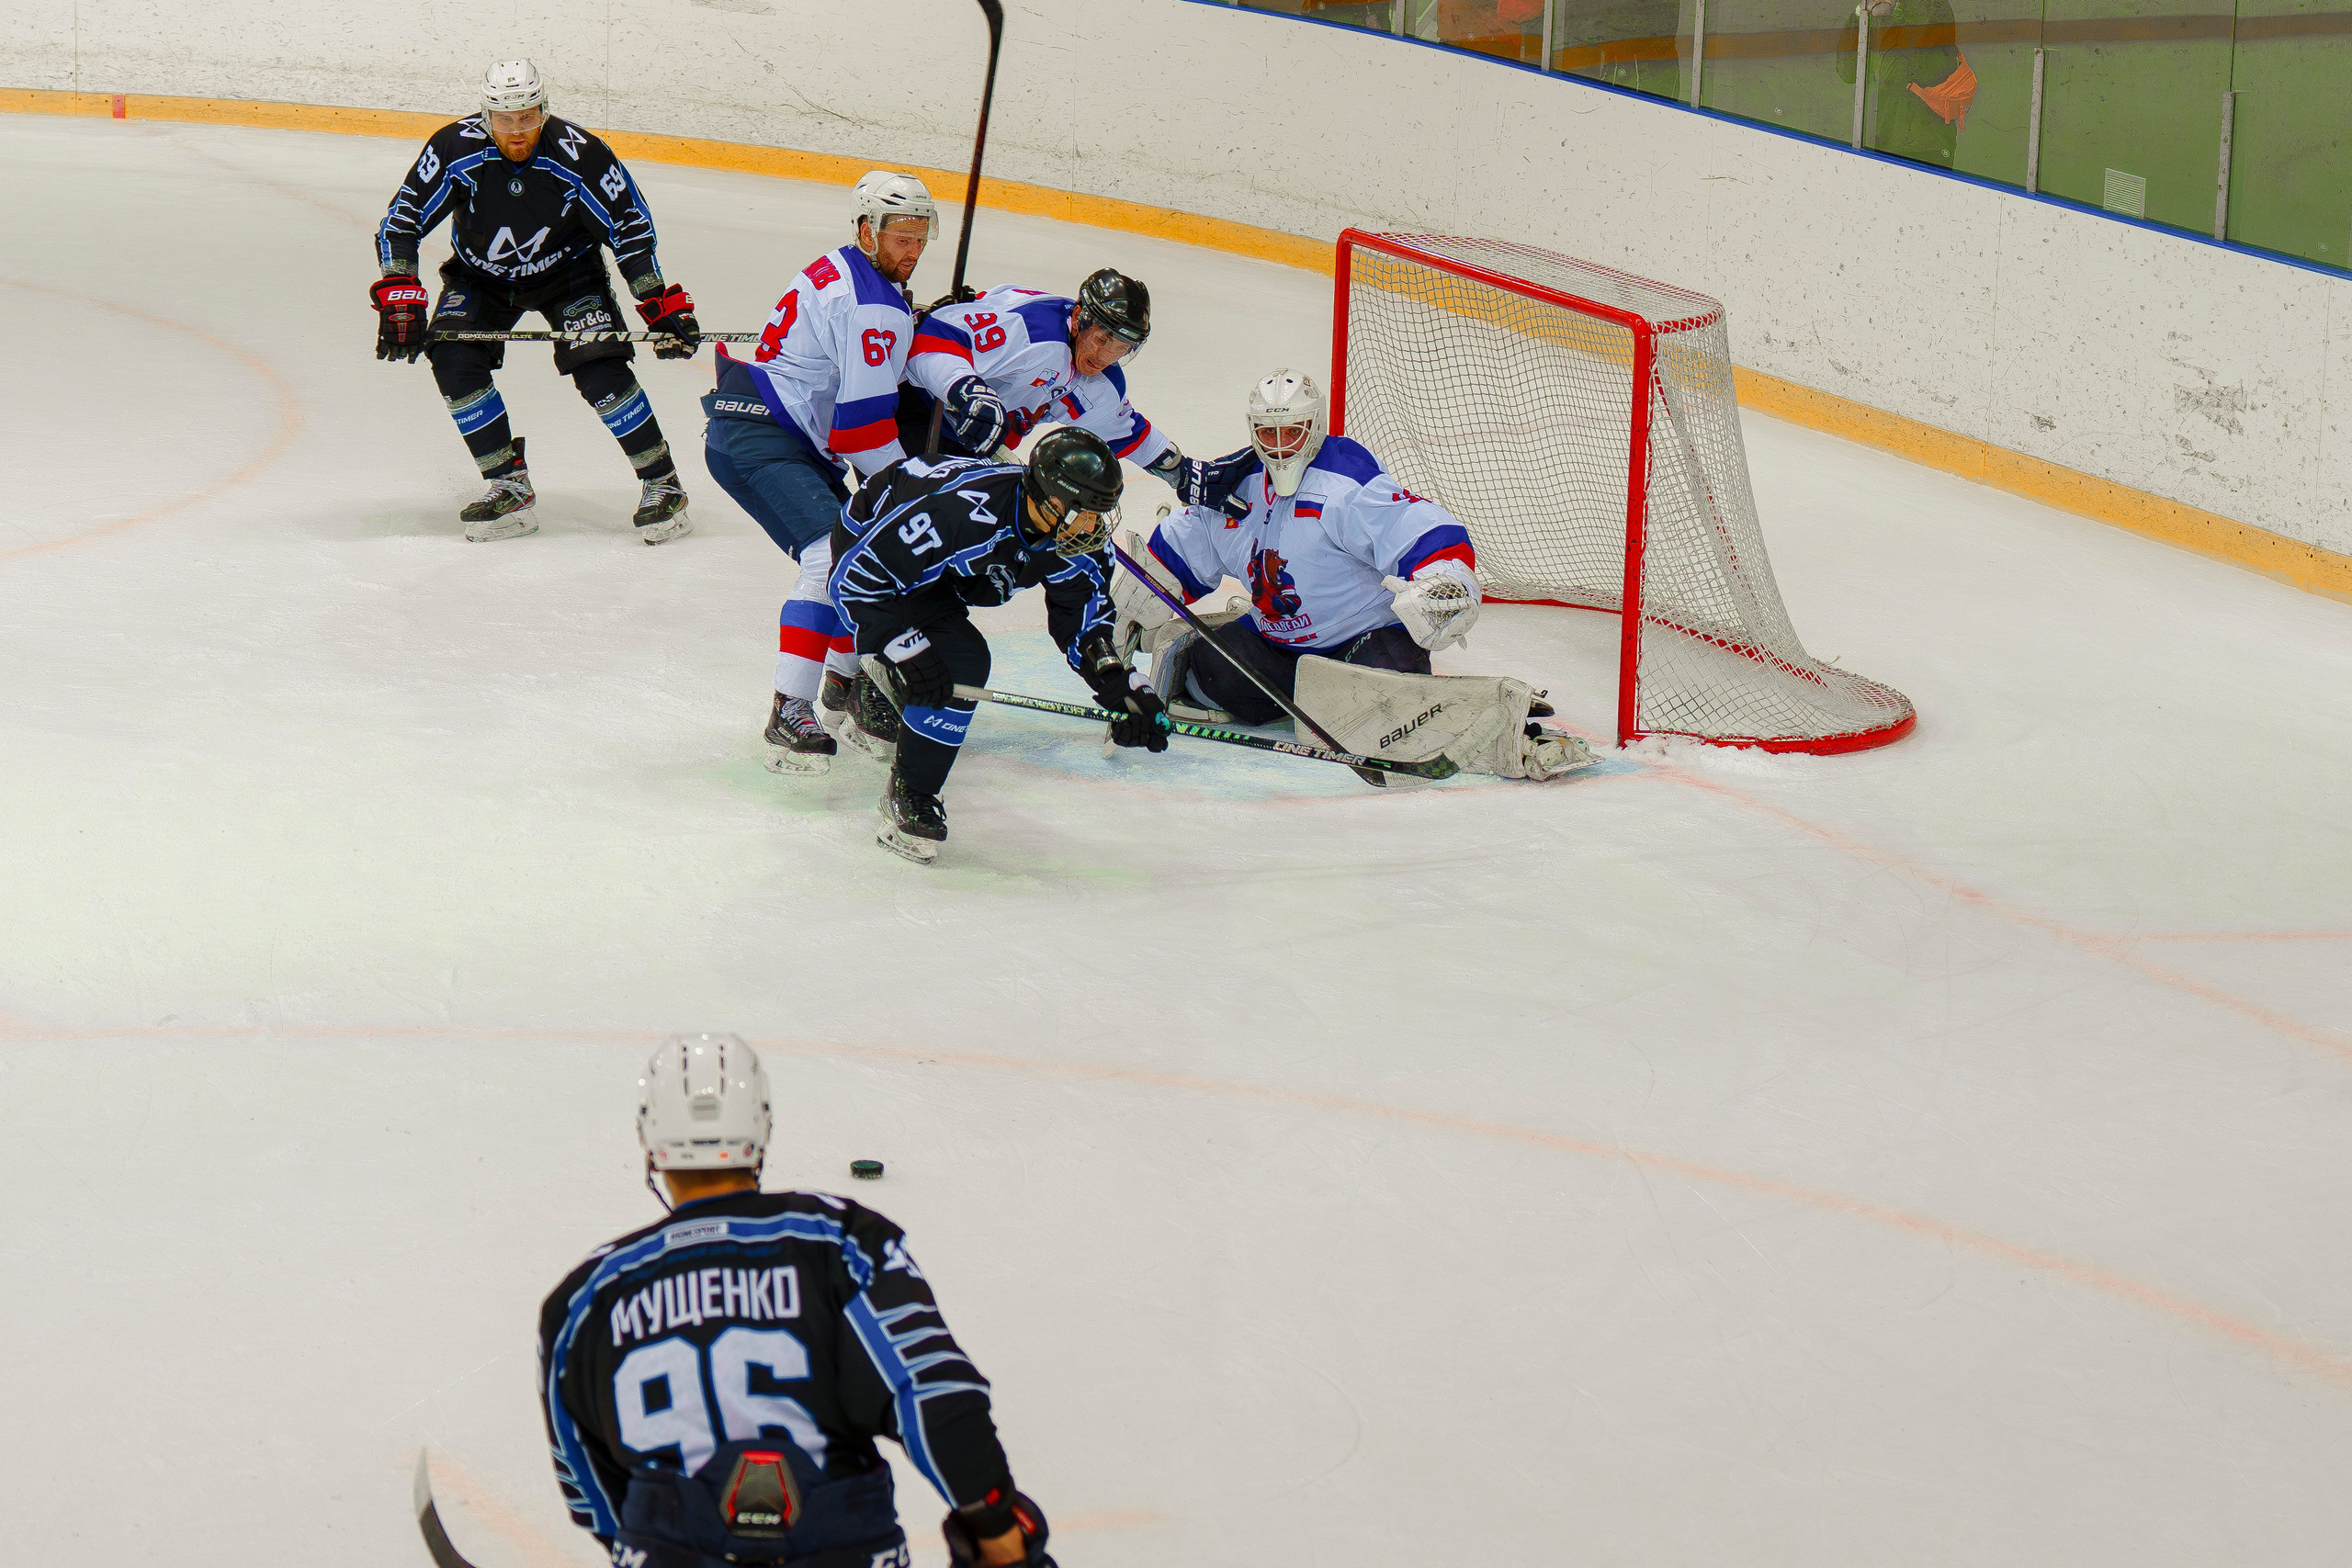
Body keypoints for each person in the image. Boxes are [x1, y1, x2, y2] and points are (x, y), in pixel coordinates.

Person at [539, 1033, 1057, 1568]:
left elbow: (591, 1494)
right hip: (841, 1544)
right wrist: (997, 1530)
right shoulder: (839, 1242)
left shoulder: (583, 1300)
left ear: (649, 1142)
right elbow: (936, 1397)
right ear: (761, 1127)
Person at [1114, 370, 1594, 782]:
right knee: (1213, 674)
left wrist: (1444, 579)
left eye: (1293, 433)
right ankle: (1299, 687)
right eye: (1269, 434)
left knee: (1387, 704)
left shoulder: (1343, 483)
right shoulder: (1232, 490)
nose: (1280, 447)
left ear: (1315, 427)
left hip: (1363, 635)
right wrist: (1138, 601)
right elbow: (1178, 551)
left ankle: (1515, 729)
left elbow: (1421, 529)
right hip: (1276, 641)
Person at [371, 60, 699, 543]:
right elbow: (401, 222)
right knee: (453, 356)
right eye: (504, 120)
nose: (516, 131)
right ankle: (508, 485)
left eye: (527, 117)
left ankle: (663, 483)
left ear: (543, 110)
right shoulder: (454, 147)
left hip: (568, 274)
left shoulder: (581, 155)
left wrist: (654, 298)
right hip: (480, 276)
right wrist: (400, 293)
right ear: (485, 116)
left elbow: (629, 226)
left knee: (599, 365)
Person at [827, 429, 1171, 863]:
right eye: (1083, 512)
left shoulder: (1073, 537)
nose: (1091, 526)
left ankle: (880, 684)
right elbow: (856, 579)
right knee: (959, 664)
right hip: (875, 546)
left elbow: (1083, 619)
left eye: (1099, 514)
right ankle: (911, 793)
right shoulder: (959, 511)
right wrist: (901, 646)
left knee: (949, 660)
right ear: (1050, 498)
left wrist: (1120, 682)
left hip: (943, 578)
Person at [699, 172, 934, 775]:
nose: (912, 250)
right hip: (767, 435)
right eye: (900, 237)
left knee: (859, 560)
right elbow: (861, 434)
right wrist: (923, 489)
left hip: (771, 429)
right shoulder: (875, 308)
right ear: (866, 230)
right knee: (830, 560)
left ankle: (842, 686)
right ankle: (791, 707)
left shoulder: (845, 270)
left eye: (920, 237)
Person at [903, 269, 1255, 510]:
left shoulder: (1100, 383)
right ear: (1080, 318)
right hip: (913, 409)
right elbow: (929, 339)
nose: (1105, 356)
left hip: (971, 442)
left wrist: (1184, 473)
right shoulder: (1033, 334)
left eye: (1120, 348)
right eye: (1102, 339)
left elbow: (1125, 433)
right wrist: (964, 389)